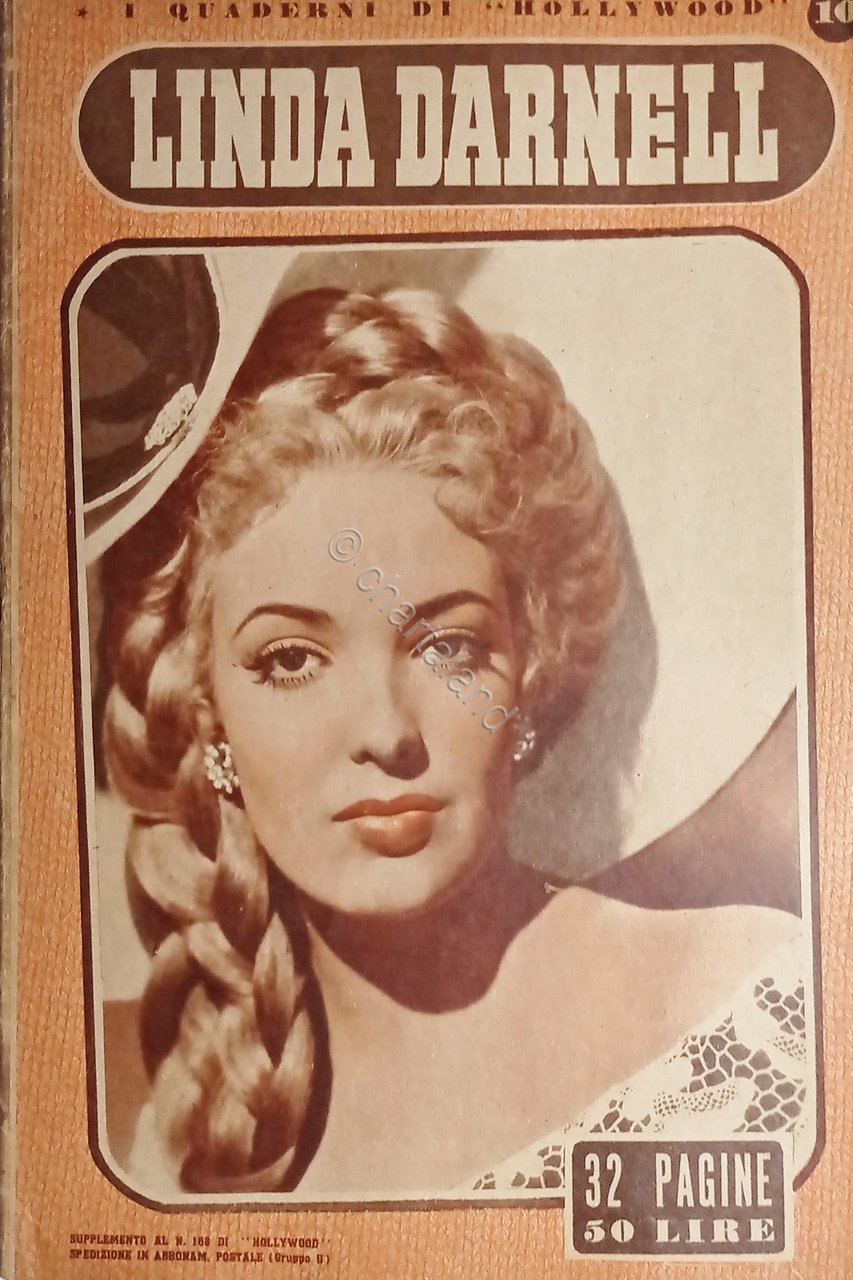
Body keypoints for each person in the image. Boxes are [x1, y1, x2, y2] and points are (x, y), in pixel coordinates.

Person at [97, 282, 804, 1198]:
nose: (386, 732)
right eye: (289, 660)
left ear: (533, 668)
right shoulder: (173, 1142)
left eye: (448, 648)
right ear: (203, 712)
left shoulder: (746, 1001)